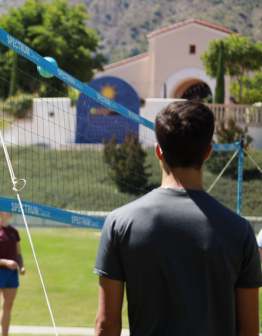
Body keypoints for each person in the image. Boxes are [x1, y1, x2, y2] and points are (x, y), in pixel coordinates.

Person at [94, 101, 262, 336]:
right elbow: (249, 331)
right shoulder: (241, 231)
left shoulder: (118, 223)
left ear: (158, 150)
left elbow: (107, 324)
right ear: (208, 152)